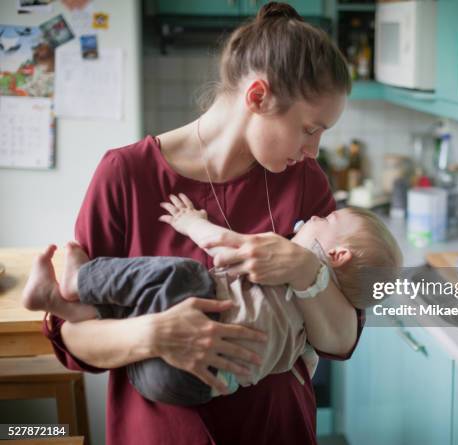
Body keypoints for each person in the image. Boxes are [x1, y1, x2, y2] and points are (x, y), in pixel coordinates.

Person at [41, 2, 364, 444]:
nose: (313, 149)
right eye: (310, 129)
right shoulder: (126, 174)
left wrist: (305, 269)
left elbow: (341, 340)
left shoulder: (304, 181)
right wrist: (154, 334)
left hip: (276, 428)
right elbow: (72, 339)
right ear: (257, 97)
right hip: (163, 430)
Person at [23, 194, 403, 406]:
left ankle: (79, 282)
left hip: (180, 365)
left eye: (326, 219)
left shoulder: (286, 261)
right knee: (142, 309)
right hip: (189, 389)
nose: (313, 219)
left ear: (336, 255)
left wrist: (190, 221)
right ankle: (67, 307)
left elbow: (224, 248)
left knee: (185, 276)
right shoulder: (309, 332)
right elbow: (315, 356)